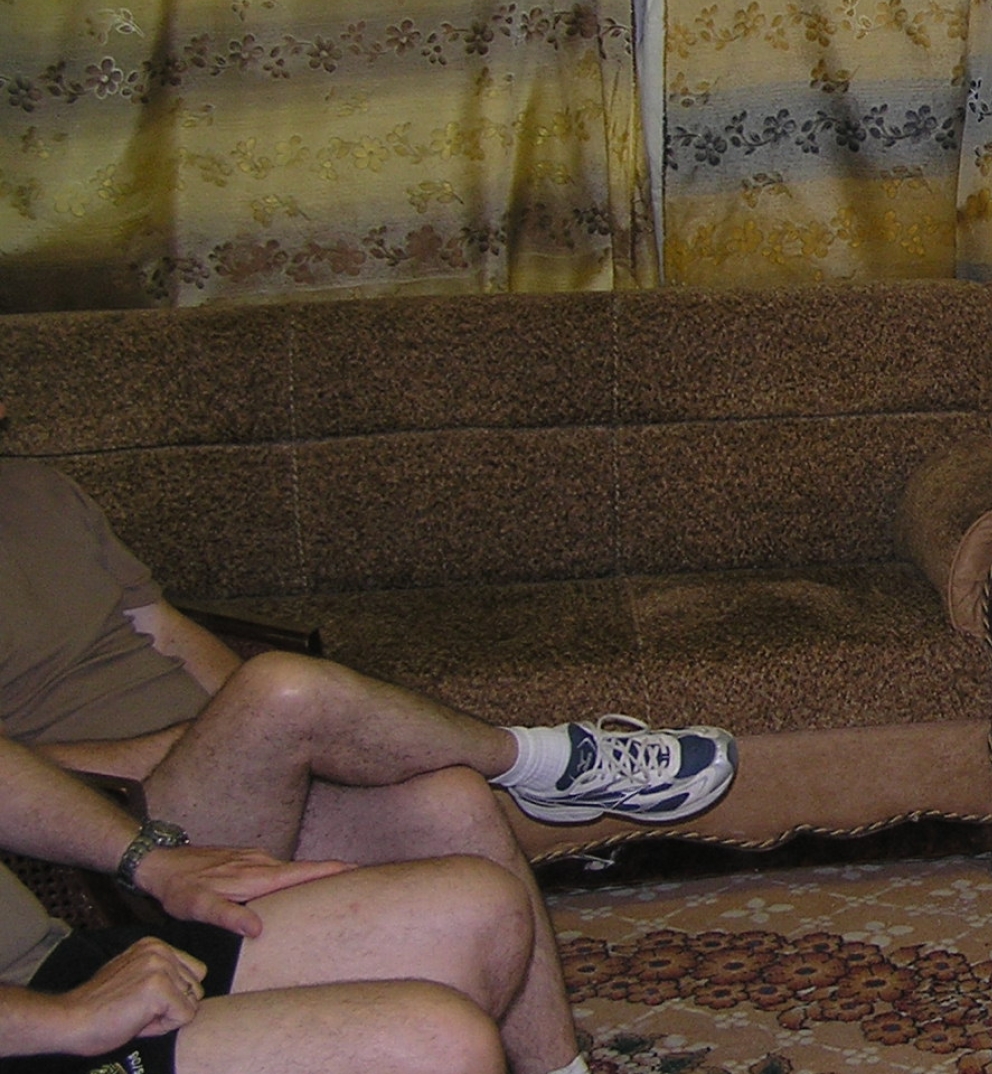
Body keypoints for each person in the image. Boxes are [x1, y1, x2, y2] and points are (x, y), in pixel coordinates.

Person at [0, 457, 739, 1074]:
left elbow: (166, 632)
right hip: (108, 805)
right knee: (282, 688)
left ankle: (559, 1069)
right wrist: (197, 740)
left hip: (204, 768)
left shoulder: (39, 490)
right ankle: (542, 759)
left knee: (451, 799)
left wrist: (236, 736)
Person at [2, 728, 532, 1074]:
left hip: (42, 962)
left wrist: (148, 859)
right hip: (28, 1033)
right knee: (438, 1045)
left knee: (478, 906)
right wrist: (66, 1019)